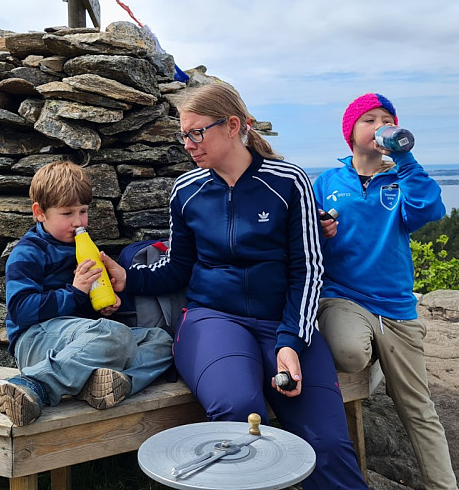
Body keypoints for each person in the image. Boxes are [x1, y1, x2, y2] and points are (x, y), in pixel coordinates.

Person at [101, 82, 368, 490]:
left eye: (195, 133)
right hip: (213, 320)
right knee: (238, 413)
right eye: (183, 135)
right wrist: (128, 277)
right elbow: (176, 269)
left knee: (327, 443)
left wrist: (291, 342)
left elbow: (308, 269)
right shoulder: (186, 191)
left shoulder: (288, 182)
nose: (188, 144)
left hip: (284, 320)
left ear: (231, 126)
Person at [312, 93, 457, 490]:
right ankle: (371, 347)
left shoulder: (400, 179)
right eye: (369, 120)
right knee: (349, 351)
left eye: (386, 120)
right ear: (350, 133)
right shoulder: (326, 182)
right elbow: (305, 244)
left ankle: (443, 485)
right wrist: (318, 229)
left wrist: (406, 159)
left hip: (395, 305)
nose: (379, 126)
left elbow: (429, 210)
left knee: (418, 407)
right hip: (343, 296)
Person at [0, 160, 173, 427]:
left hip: (80, 340)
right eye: (67, 214)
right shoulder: (29, 252)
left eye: (83, 211)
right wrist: (75, 292)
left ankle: (104, 384)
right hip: (36, 339)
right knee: (114, 333)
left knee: (163, 340)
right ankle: (32, 385)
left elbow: (84, 311)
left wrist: (102, 306)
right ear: (39, 213)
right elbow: (21, 310)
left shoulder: (84, 246)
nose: (78, 222)